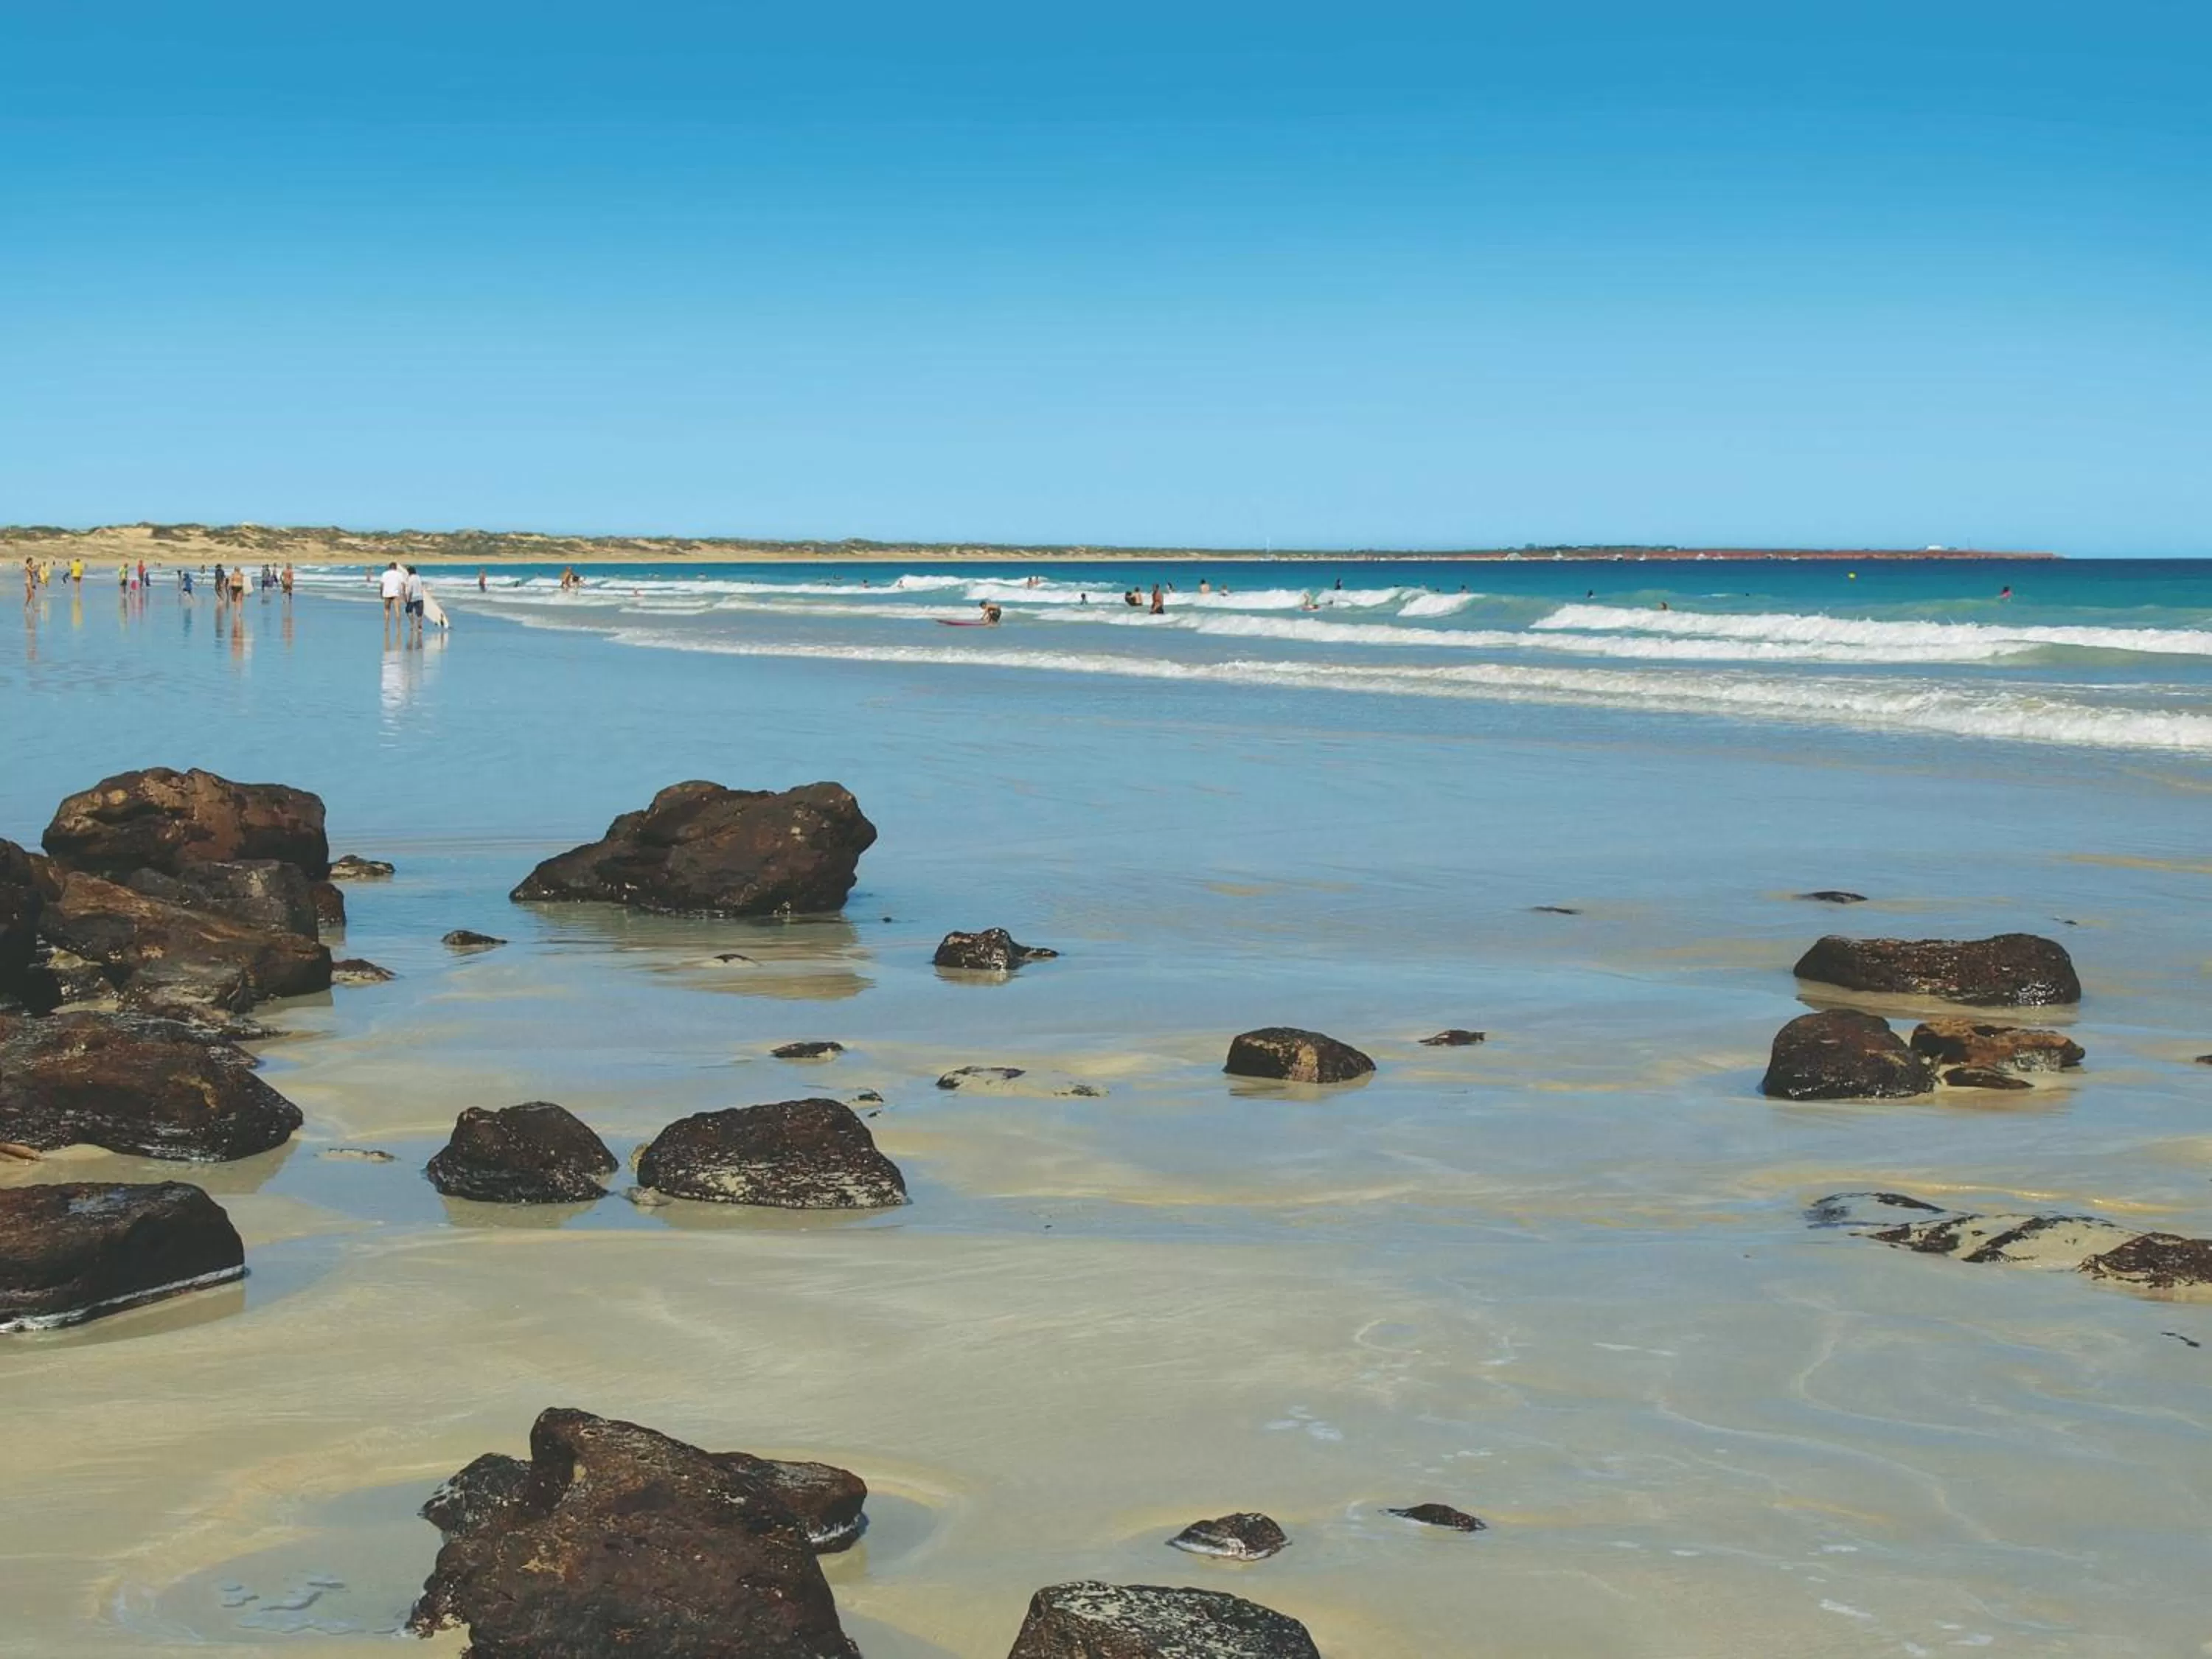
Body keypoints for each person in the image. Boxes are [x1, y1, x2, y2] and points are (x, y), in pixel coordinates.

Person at [379, 560, 405, 632]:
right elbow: (403, 584)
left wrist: (381, 594)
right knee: (397, 611)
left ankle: (386, 626)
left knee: (387, 610)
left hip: (387, 594)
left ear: (389, 567)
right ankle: (398, 627)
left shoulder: (385, 574)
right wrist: (403, 593)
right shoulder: (399, 574)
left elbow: (381, 585)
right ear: (396, 567)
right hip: (396, 594)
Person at [404, 564, 427, 644]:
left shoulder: (410, 579)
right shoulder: (418, 577)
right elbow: (422, 587)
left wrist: (408, 599)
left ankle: (412, 624)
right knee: (419, 614)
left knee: (408, 611)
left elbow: (410, 590)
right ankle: (420, 627)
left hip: (413, 597)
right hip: (420, 597)